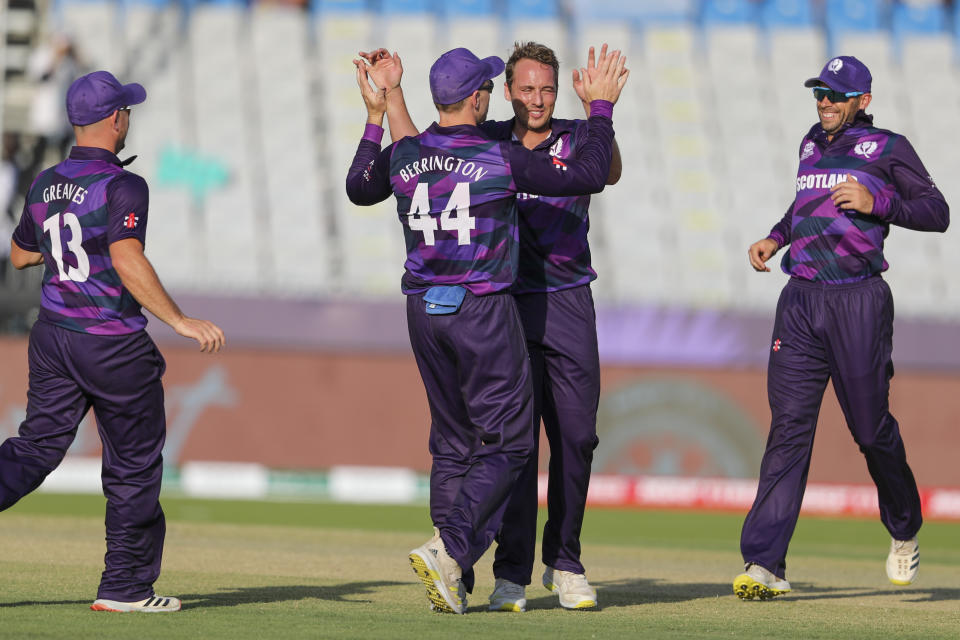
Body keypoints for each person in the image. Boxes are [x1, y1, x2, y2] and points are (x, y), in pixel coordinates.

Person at [346, 46, 627, 614]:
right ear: (486, 96)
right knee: (512, 442)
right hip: (489, 306)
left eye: (546, 90)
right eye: (520, 87)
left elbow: (365, 182)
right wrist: (603, 105)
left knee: (471, 443)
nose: (535, 99)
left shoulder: (416, 153)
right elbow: (592, 176)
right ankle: (467, 557)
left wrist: (381, 106)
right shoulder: (496, 152)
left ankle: (502, 567)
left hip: (443, 306)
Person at [3, 70, 225, 612]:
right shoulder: (124, 184)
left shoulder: (45, 180)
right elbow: (127, 258)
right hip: (112, 343)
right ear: (114, 119)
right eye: (126, 110)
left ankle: (126, 585)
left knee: (36, 447)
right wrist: (178, 320)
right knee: (132, 465)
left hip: (54, 336)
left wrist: (64, 251)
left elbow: (20, 255)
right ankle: (125, 588)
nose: (128, 117)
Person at [735, 56, 948, 600]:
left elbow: (937, 210)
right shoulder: (811, 142)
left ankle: (904, 527)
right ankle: (765, 564)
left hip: (858, 300)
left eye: (834, 95)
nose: (824, 103)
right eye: (819, 94)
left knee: (871, 430)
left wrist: (879, 201)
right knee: (788, 428)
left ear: (863, 101)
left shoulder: (889, 148)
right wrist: (776, 237)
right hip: (801, 300)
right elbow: (806, 204)